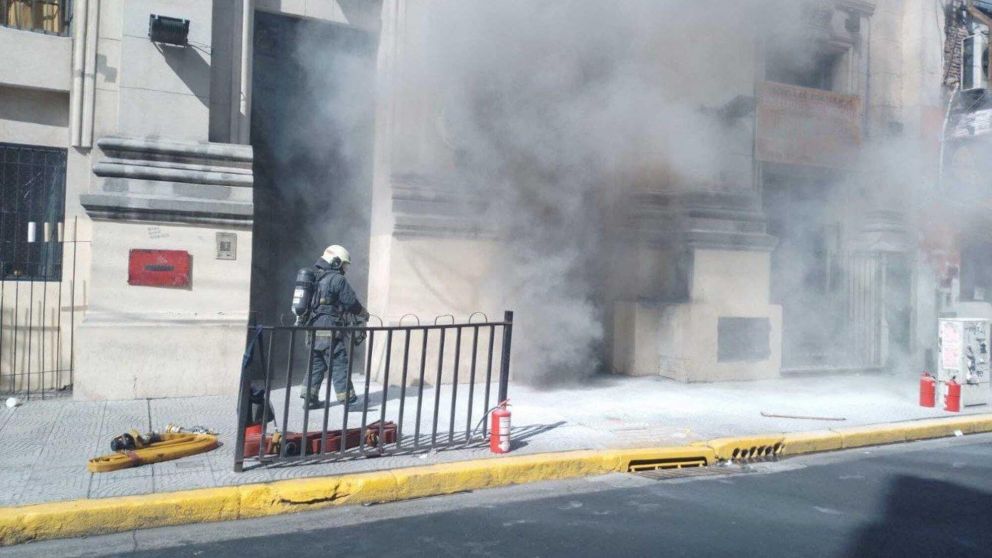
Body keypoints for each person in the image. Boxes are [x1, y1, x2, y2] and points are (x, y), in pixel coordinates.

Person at [301, 244, 368, 410]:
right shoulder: (337, 279)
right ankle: (349, 401)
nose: (345, 268)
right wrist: (363, 313)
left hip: (314, 328)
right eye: (344, 264)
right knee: (339, 363)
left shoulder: (316, 277)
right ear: (336, 262)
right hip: (329, 328)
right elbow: (350, 302)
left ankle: (310, 398)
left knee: (316, 364)